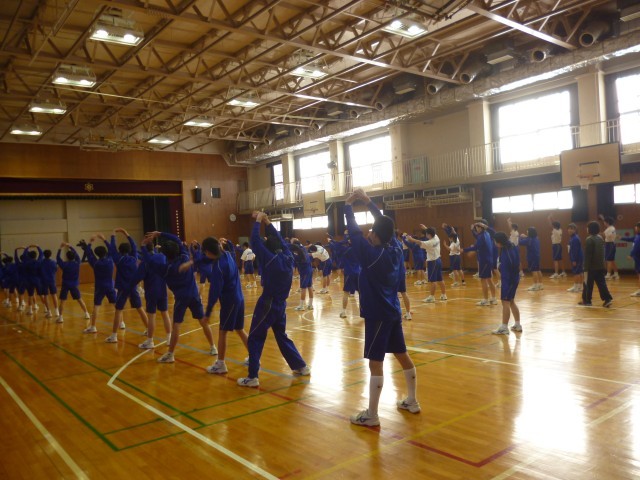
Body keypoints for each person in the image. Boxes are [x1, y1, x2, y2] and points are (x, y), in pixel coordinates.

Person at [345, 188, 419, 427]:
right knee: (402, 354)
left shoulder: (370, 255)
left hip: (377, 315)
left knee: (375, 362)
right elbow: (385, 223)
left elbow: (354, 231)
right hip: (393, 311)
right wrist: (368, 202)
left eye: (372, 231)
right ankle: (412, 400)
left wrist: (348, 205)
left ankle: (372, 415)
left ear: (376, 235)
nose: (368, 233)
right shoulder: (394, 247)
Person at [237, 211, 309, 387]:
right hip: (280, 305)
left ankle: (252, 377)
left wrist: (258, 221)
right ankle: (301, 366)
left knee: (255, 337)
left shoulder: (270, 259)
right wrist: (267, 221)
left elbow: (255, 240)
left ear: (268, 248)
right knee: (281, 335)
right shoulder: (288, 256)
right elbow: (279, 239)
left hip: (267, 303)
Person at [141, 231, 217, 363]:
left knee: (176, 325)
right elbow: (176, 239)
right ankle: (213, 347)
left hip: (181, 298)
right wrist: (160, 234)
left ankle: (170, 354)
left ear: (164, 254)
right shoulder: (185, 256)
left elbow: (148, 260)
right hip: (194, 295)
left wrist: (143, 246)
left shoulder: (165, 269)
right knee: (203, 321)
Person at [192, 237, 249, 375]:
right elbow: (225, 249)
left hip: (230, 302)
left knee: (223, 332)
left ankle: (221, 364)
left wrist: (208, 313)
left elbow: (214, 292)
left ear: (207, 252)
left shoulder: (218, 267)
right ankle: (254, 356)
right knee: (240, 329)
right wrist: (227, 241)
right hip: (239, 298)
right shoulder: (228, 254)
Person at [104, 228, 149, 343]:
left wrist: (113, 235)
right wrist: (126, 233)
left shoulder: (118, 259)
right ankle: (149, 329)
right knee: (140, 308)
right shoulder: (134, 257)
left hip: (123, 289)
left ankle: (114, 336)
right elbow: (134, 245)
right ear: (130, 250)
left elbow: (112, 248)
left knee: (118, 310)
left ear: (119, 251)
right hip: (133, 287)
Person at [134, 243, 172, 349]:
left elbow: (138, 277)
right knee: (165, 314)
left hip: (151, 291)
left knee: (151, 317)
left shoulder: (145, 262)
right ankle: (169, 338)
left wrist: (130, 286)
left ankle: (150, 341)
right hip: (162, 289)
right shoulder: (162, 257)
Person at [80, 235, 117, 333]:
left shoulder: (95, 263)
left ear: (97, 254)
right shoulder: (110, 260)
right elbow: (111, 249)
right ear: (105, 252)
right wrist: (104, 239)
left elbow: (88, 253)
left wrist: (90, 242)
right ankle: (121, 323)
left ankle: (93, 327)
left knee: (96, 306)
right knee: (117, 306)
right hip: (110, 285)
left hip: (99, 287)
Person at [405, 226, 447, 303]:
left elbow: (419, 242)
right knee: (440, 279)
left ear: (429, 234)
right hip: (438, 260)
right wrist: (425, 227)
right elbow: (431, 232)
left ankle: (431, 297)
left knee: (433, 281)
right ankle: (444, 295)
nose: (426, 235)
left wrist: (411, 239)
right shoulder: (436, 237)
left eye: (426, 233)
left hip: (432, 262)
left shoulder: (429, 243)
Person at [491, 232, 522, 335]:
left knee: (505, 302)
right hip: (513, 279)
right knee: (511, 301)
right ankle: (517, 324)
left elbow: (512, 266)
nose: (494, 243)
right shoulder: (510, 246)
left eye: (495, 241)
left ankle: (504, 327)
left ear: (500, 242)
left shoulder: (508, 251)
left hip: (509, 280)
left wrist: (505, 280)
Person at [580, 221, 613, 307]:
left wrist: (585, 267)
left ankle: (587, 301)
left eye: (587, 227)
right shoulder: (600, 238)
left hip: (591, 267)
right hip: (600, 266)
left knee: (587, 284)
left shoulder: (589, 239)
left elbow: (588, 256)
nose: (586, 229)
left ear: (590, 229)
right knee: (602, 284)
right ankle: (607, 299)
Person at [56, 243, 91, 323]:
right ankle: (86, 313)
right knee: (79, 299)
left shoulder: (64, 265)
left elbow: (58, 258)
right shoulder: (77, 263)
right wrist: (70, 246)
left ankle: (60, 317)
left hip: (65, 284)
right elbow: (77, 255)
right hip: (74, 284)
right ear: (74, 257)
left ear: (67, 257)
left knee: (63, 301)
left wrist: (60, 248)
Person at [464, 222, 497, 306]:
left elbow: (476, 247)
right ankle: (493, 298)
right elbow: (476, 236)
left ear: (481, 227)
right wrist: (472, 230)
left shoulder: (482, 236)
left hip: (484, 261)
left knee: (483, 280)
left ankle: (485, 300)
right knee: (489, 279)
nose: (476, 229)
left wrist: (464, 250)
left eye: (477, 227)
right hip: (488, 260)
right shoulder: (487, 234)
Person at [335, 232, 361, 318]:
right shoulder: (359, 250)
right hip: (358, 272)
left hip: (349, 273)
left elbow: (337, 245)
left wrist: (345, 239)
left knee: (346, 292)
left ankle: (343, 312)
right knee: (361, 292)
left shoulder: (347, 250)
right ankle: (363, 310)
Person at [290, 239, 314, 311]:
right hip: (310, 270)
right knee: (310, 286)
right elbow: (301, 246)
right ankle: (310, 305)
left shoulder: (297, 256)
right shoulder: (303, 249)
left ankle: (301, 306)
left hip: (305, 272)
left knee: (303, 288)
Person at [519, 227, 543, 291]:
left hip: (532, 257)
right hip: (537, 256)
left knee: (534, 271)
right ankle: (540, 285)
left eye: (527, 231)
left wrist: (519, 237)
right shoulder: (536, 238)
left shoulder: (528, 239)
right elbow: (529, 239)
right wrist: (526, 237)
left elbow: (520, 242)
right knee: (538, 270)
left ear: (529, 232)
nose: (527, 231)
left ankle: (535, 285)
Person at [39, 249, 60, 318]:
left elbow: (39, 271)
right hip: (52, 280)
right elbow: (56, 269)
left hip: (44, 280)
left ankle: (49, 312)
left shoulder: (41, 262)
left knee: (45, 295)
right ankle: (57, 311)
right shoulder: (54, 262)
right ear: (50, 254)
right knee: (54, 295)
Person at [621, 222, 640, 297]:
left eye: (636, 227)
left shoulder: (639, 237)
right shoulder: (637, 236)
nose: (635, 228)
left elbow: (636, 247)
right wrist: (621, 238)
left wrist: (630, 255)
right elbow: (631, 239)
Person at [600, 215, 620, 280]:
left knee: (609, 260)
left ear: (607, 222)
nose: (604, 223)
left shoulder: (611, 228)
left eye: (604, 222)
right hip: (609, 244)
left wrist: (601, 234)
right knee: (612, 260)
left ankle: (608, 275)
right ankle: (616, 274)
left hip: (610, 244)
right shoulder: (610, 228)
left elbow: (608, 235)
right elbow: (605, 234)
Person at [566, 223, 584, 293]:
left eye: (572, 229)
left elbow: (575, 251)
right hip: (578, 257)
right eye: (569, 228)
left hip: (577, 258)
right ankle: (580, 286)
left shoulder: (575, 239)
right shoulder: (573, 238)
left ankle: (576, 287)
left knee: (576, 272)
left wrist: (573, 260)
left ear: (575, 230)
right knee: (580, 272)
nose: (569, 230)